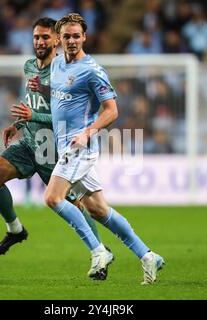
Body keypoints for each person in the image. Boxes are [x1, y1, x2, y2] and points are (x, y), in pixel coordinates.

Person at [41, 13, 164, 284]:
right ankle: (148, 256)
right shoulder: (57, 65)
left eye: (76, 36)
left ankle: (98, 251)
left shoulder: (92, 70)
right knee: (97, 209)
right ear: (59, 39)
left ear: (84, 37)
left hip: (80, 146)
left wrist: (87, 133)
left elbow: (112, 110)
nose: (72, 41)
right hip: (64, 147)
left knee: (52, 198)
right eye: (67, 36)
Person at [0, 17, 101, 258]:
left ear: (57, 40)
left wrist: (33, 115)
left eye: (45, 37)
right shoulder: (29, 66)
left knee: (77, 205)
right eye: (36, 36)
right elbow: (31, 104)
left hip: (54, 148)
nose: (39, 41)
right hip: (29, 142)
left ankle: (100, 250)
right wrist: (18, 123)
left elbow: (63, 118)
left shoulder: (63, 72)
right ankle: (15, 230)